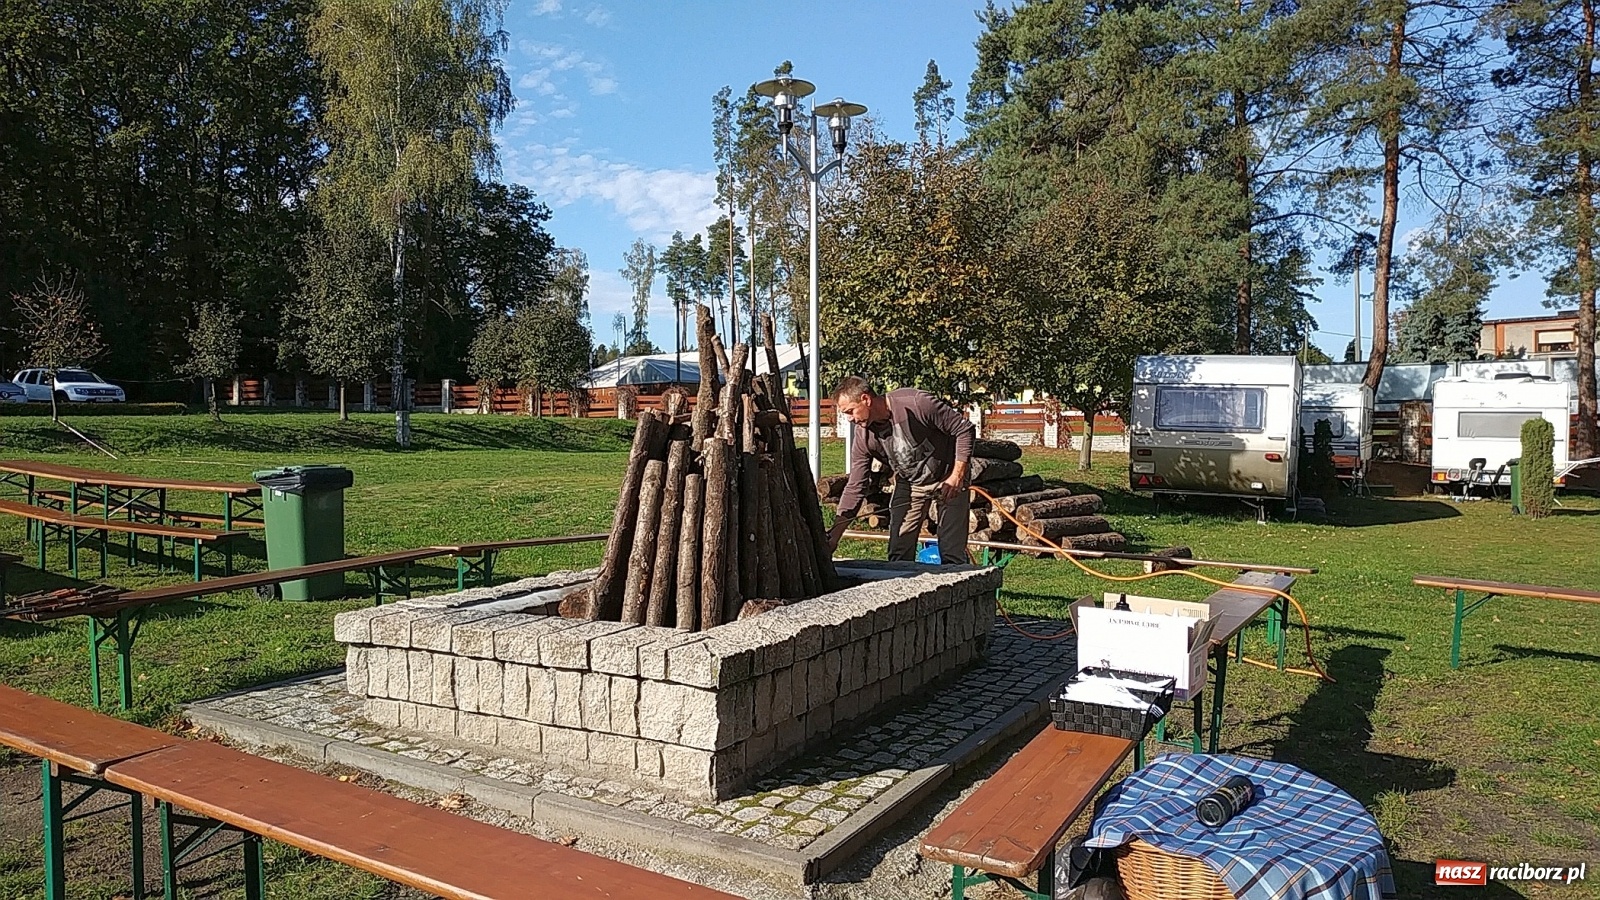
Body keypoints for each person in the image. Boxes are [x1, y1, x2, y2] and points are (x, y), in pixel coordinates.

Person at [826, 376, 975, 564]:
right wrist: (835, 535)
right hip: (909, 483)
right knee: (898, 554)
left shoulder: (917, 404)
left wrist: (957, 476)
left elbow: (964, 430)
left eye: (850, 411)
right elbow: (856, 486)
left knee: (952, 555)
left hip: (948, 476)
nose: (849, 419)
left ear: (866, 399)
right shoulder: (864, 438)